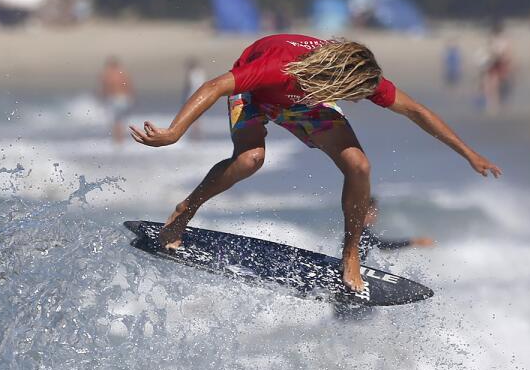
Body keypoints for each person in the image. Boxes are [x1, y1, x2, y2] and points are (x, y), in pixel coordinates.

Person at [130, 34, 501, 293]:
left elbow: (417, 111)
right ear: (340, 79)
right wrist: (174, 132)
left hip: (311, 98)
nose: (358, 101)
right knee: (250, 159)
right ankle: (184, 211)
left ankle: (351, 250)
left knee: (360, 166)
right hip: (257, 95)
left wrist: (467, 152)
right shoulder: (280, 66)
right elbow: (214, 86)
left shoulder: (358, 75)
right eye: (353, 95)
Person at [335, 196, 435, 321]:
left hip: (347, 280)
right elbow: (383, 245)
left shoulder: (355, 231)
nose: (375, 215)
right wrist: (413, 241)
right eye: (373, 211)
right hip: (353, 280)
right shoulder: (360, 232)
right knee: (356, 318)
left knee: (344, 319)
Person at [480, 20, 514, 115]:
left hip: (501, 63)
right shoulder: (494, 39)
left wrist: (507, 61)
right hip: (495, 63)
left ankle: (498, 104)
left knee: (500, 84)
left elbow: (507, 53)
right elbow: (490, 51)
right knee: (492, 84)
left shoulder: (503, 39)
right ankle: (493, 104)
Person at [99, 56, 135, 145]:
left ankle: (117, 141)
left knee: (115, 121)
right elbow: (129, 86)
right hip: (124, 99)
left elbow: (104, 89)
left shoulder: (107, 75)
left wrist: (103, 99)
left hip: (113, 99)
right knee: (121, 120)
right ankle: (120, 140)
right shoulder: (123, 74)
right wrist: (131, 98)